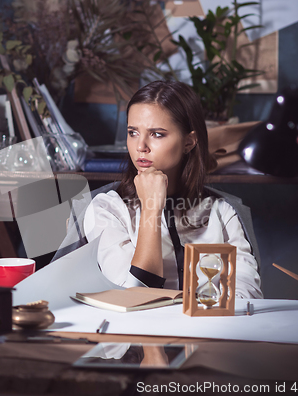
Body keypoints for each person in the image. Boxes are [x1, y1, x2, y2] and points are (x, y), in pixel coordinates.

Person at [83, 80, 263, 299]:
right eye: (133, 132)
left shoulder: (223, 212)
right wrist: (151, 208)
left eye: (157, 134)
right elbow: (134, 296)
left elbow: (248, 296)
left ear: (189, 142)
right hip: (132, 333)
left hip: (208, 330)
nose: (141, 146)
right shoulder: (107, 209)